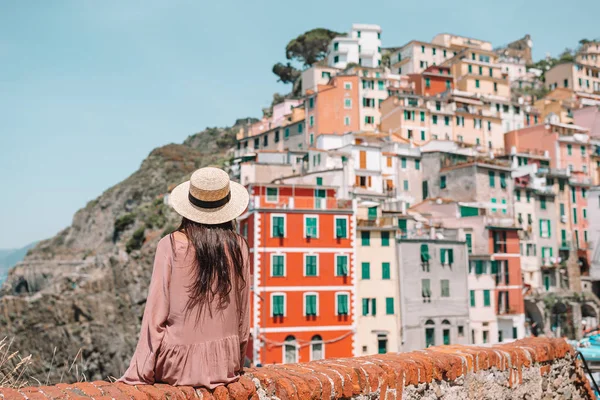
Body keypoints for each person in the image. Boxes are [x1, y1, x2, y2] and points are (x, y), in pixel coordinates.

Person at [119, 167, 250, 388]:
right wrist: (235, 360)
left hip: (177, 363)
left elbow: (155, 315)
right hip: (225, 363)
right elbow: (243, 317)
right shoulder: (239, 246)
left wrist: (141, 371)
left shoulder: (170, 244)